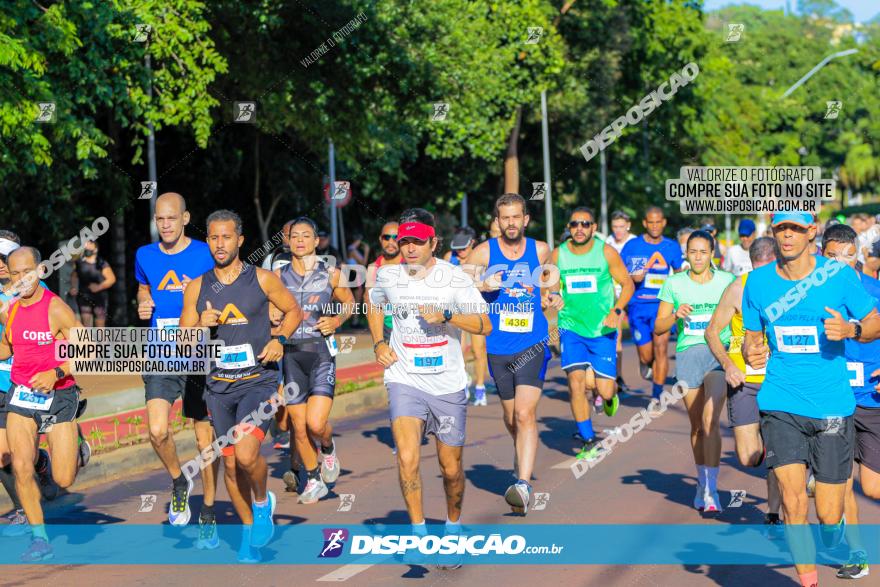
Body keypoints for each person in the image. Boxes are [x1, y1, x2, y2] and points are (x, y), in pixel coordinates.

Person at [743, 212, 880, 587]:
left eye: (796, 229)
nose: (787, 236)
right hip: (780, 402)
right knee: (792, 501)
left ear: (811, 232)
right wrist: (750, 349)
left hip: (833, 406)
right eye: (781, 229)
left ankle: (833, 529)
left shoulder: (838, 276)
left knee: (830, 513)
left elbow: (874, 322)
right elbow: (751, 338)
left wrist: (851, 329)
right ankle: (808, 581)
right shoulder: (757, 282)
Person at [367, 208, 490, 567]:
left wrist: (448, 315)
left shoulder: (455, 279)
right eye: (404, 241)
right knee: (407, 457)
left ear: (433, 242)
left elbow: (485, 325)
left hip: (447, 384)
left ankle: (452, 528)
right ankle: (419, 535)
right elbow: (374, 306)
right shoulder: (388, 276)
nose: (409, 248)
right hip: (404, 379)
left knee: (450, 469)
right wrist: (378, 343)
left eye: (417, 241)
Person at [179, 209, 302, 562]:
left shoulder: (262, 279)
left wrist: (280, 338)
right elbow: (185, 341)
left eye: (227, 237)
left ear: (240, 240)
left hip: (257, 381)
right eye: (214, 238)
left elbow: (293, 311)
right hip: (217, 388)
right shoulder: (197, 286)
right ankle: (249, 533)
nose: (220, 244)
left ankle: (262, 503)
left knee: (247, 454)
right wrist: (200, 324)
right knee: (231, 466)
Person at [134, 192, 219, 544]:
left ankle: (210, 509)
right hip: (160, 355)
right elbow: (143, 289)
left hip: (199, 356)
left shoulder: (204, 253)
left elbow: (222, 292)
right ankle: (179, 479)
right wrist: (142, 303)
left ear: (185, 218)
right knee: (157, 431)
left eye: (171, 218)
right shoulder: (144, 255)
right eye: (159, 219)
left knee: (205, 439)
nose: (165, 225)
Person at [464, 193, 553, 515]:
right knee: (510, 416)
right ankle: (522, 453)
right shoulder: (484, 251)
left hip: (533, 341)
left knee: (525, 414)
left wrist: (552, 298)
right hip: (498, 345)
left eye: (517, 217)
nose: (511, 223)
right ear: (497, 221)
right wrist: (483, 285)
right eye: (505, 218)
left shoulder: (540, 249)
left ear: (526, 219)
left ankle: (523, 484)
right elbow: (460, 283)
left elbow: (549, 285)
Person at [1, 247, 91, 562]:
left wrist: (56, 373)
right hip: (21, 395)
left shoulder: (56, 309)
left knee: (64, 479)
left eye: (28, 271)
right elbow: (5, 347)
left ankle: (77, 441)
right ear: (8, 277)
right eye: (15, 273)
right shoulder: (8, 310)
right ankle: (39, 538)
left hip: (59, 395)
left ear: (40, 271)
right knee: (21, 466)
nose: (22, 279)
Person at [275, 217, 354, 504]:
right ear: (288, 241)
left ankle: (328, 448)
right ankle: (312, 479)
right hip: (291, 356)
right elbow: (268, 310)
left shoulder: (332, 273)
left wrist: (336, 319)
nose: (299, 241)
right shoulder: (278, 276)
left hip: (320, 354)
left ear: (316, 241)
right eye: (294, 235)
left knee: (316, 423)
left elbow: (349, 304)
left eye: (306, 236)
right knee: (298, 426)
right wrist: (273, 320)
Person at [655, 230, 735, 512]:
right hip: (689, 355)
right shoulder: (674, 283)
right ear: (686, 254)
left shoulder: (728, 281)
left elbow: (741, 316)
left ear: (712, 253)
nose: (698, 257)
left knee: (711, 420)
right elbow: (658, 327)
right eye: (693, 252)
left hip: (718, 354)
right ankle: (701, 481)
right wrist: (674, 315)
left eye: (703, 251)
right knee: (698, 427)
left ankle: (712, 490)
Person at [705, 236, 782, 527]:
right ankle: (767, 449)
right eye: (758, 271)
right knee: (749, 457)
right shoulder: (737, 289)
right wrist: (727, 365)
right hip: (745, 381)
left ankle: (773, 513)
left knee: (780, 452)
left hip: (780, 380)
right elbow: (712, 332)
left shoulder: (792, 289)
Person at [818, 224, 880, 580]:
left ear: (857, 254)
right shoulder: (812, 293)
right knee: (839, 481)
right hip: (832, 399)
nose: (839, 262)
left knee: (870, 486)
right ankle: (857, 554)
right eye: (831, 256)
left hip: (871, 398)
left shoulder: (873, 289)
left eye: (846, 255)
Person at [550, 207, 633, 459]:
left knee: (604, 389)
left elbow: (627, 284)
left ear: (594, 228)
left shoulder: (605, 253)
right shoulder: (558, 254)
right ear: (569, 226)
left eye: (585, 224)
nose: (579, 228)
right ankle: (587, 438)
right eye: (575, 224)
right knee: (576, 384)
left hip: (601, 330)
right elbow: (552, 286)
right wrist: (554, 297)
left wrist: (617, 310)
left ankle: (608, 397)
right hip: (571, 327)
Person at [0, 234, 58, 537]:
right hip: (7, 383)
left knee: (20, 455)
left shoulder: (36, 292)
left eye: (4, 258)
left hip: (30, 383)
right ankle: (26, 512)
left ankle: (43, 463)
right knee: (3, 456)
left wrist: (57, 371)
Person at [620, 206, 683, 401]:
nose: (655, 226)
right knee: (647, 356)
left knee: (662, 348)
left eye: (658, 222)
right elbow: (623, 276)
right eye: (651, 222)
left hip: (662, 306)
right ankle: (647, 363)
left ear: (663, 222)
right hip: (638, 306)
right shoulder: (633, 247)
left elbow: (679, 275)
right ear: (645, 223)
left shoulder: (672, 246)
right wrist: (633, 276)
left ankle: (657, 393)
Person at [444, 226, 489, 406]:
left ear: (473, 244)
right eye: (457, 248)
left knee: (478, 351)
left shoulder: (481, 258)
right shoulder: (450, 258)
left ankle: (480, 388)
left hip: (475, 310)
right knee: (457, 351)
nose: (460, 252)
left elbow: (487, 285)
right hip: (455, 312)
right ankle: (462, 382)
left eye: (463, 248)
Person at [608, 211, 637, 392]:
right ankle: (616, 377)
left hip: (631, 294)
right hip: (610, 297)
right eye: (615, 227)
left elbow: (636, 273)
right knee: (615, 337)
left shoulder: (634, 242)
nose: (618, 231)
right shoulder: (606, 243)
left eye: (621, 226)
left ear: (628, 225)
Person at [69, 240, 115, 327]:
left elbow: (112, 279)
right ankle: (89, 340)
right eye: (86, 246)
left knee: (100, 327)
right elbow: (74, 275)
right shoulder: (79, 263)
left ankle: (102, 340)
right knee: (86, 326)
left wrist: (99, 287)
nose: (87, 248)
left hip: (100, 298)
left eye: (90, 246)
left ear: (96, 249)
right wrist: (73, 287)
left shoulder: (101, 263)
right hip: (84, 297)